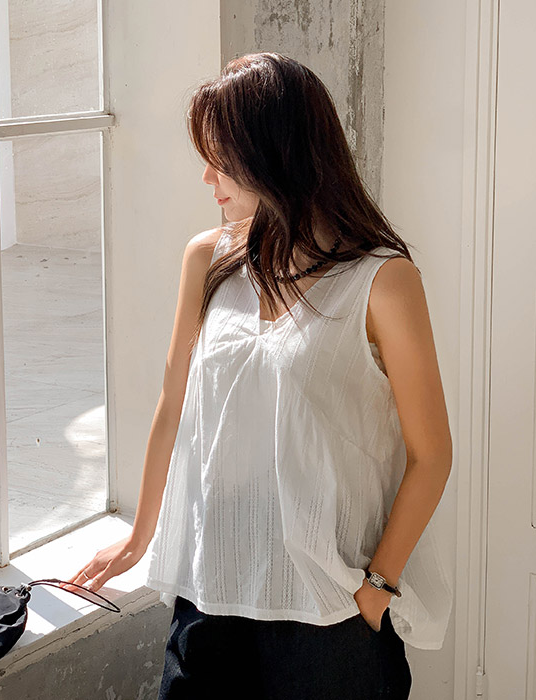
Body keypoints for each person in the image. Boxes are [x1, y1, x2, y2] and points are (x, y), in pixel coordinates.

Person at [62, 52, 454, 698]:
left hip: (329, 614)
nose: (207, 177)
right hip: (211, 594)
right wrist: (139, 538)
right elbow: (172, 405)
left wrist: (376, 590)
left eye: (220, 159)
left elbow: (431, 454)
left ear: (274, 156)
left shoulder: (382, 282)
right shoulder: (208, 260)